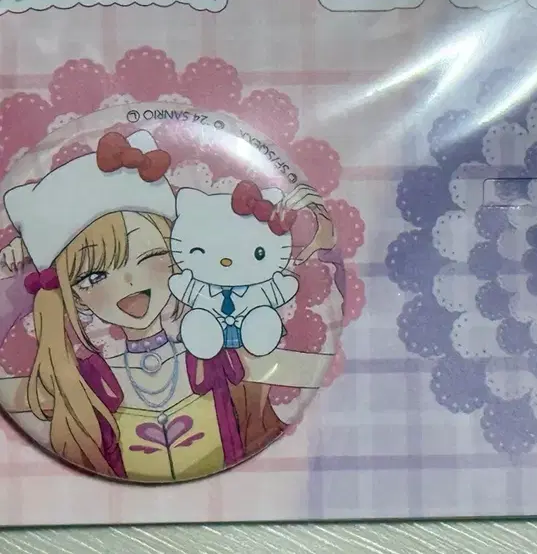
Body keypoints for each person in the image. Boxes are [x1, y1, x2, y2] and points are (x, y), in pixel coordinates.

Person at [0, 129, 337, 482]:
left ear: (179, 257)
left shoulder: (213, 357)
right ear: (72, 292)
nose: (128, 281)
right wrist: (19, 265)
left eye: (149, 256)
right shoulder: (88, 383)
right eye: (94, 276)